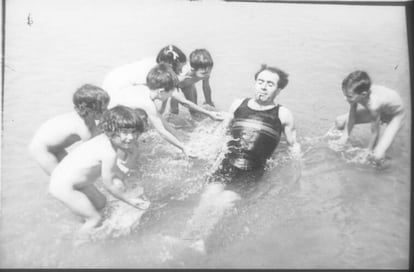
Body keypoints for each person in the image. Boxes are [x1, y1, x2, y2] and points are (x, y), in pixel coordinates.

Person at [49, 105, 150, 231]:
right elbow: (110, 185)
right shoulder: (109, 153)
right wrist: (129, 200)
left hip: (70, 180)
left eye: (134, 132)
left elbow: (118, 174)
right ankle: (80, 244)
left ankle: (86, 221)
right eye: (125, 132)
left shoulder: (103, 141)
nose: (130, 137)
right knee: (94, 219)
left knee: (101, 203)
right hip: (63, 187)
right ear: (110, 131)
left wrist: (132, 158)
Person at [210, 64, 301, 185]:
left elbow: (293, 146)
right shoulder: (238, 104)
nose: (263, 87)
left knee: (228, 200)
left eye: (270, 84)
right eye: (260, 82)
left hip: (253, 170)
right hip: (227, 163)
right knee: (209, 197)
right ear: (255, 83)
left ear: (278, 90)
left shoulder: (283, 114)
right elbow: (222, 131)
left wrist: (298, 172)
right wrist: (211, 155)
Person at [109, 63, 222, 158]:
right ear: (162, 91)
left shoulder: (145, 90)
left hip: (113, 111)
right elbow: (162, 132)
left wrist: (179, 135)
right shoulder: (147, 104)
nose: (170, 96)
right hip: (114, 119)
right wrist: (183, 148)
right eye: (170, 93)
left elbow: (159, 118)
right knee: (131, 151)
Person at [102, 45, 222, 118]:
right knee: (143, 113)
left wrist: (208, 102)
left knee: (187, 97)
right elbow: (175, 95)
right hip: (119, 86)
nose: (181, 70)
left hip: (118, 80)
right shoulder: (158, 73)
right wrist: (209, 114)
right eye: (180, 67)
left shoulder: (201, 71)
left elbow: (203, 87)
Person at [29, 84, 110, 175]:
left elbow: (99, 134)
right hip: (42, 150)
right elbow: (92, 149)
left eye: (106, 108)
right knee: (60, 178)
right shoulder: (81, 127)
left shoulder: (88, 119)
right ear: (87, 111)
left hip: (56, 146)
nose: (106, 111)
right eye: (102, 110)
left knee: (70, 173)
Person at [334, 70, 405, 166]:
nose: (345, 98)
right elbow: (352, 116)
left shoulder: (374, 104)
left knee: (376, 157)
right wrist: (344, 138)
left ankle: (396, 164)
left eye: (349, 96)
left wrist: (368, 150)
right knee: (339, 122)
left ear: (363, 94)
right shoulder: (356, 93)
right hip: (382, 111)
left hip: (396, 115)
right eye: (345, 95)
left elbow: (375, 132)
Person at [170, 48, 215, 116]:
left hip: (189, 85)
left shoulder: (206, 71)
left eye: (209, 71)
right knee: (174, 111)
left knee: (194, 109)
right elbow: (173, 92)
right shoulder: (185, 74)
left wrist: (209, 102)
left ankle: (194, 122)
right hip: (176, 86)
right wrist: (174, 108)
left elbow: (206, 87)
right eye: (203, 73)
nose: (207, 75)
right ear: (193, 70)